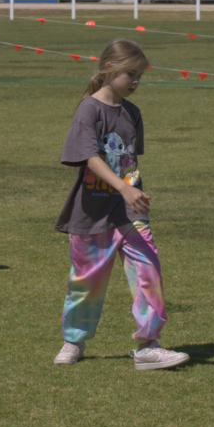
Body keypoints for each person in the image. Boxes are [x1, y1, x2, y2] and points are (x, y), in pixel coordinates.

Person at [53, 38, 189, 370]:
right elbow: (89, 158)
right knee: (86, 281)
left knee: (148, 271)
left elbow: (126, 161)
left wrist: (130, 192)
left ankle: (148, 345)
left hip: (129, 212)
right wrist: (123, 188)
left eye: (140, 75)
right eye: (131, 74)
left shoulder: (133, 113)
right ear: (110, 69)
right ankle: (74, 340)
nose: (136, 82)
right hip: (92, 211)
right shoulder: (89, 108)